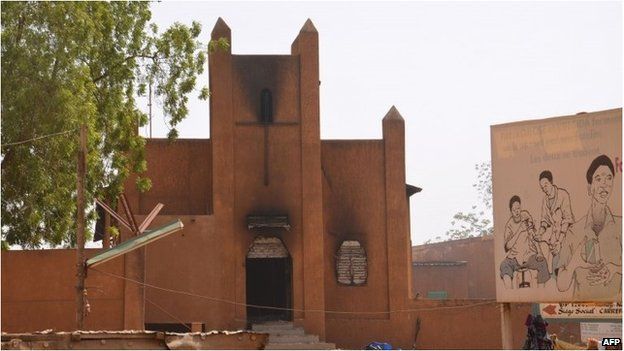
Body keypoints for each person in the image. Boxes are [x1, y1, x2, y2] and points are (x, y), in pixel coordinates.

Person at [556, 155, 622, 300]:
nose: (604, 184)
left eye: (609, 178)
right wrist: (575, 262)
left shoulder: (621, 227)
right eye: (598, 178)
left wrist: (615, 269)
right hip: (583, 316)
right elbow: (561, 285)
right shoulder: (574, 231)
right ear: (589, 188)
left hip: (616, 316)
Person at [500, 195, 550, 289]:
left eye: (518, 208)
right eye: (514, 210)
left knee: (542, 263)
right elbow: (507, 247)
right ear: (511, 211)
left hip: (529, 256)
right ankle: (510, 295)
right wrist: (519, 230)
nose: (517, 211)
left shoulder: (526, 216)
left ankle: (541, 294)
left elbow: (532, 234)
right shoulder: (509, 225)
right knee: (504, 266)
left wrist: (539, 252)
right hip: (514, 259)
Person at [535, 170, 575, 274]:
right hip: (554, 239)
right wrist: (540, 233)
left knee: (562, 267)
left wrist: (559, 242)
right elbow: (544, 221)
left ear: (551, 182)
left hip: (566, 236)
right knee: (551, 268)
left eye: (546, 185)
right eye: (542, 188)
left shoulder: (563, 195)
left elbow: (567, 220)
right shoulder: (545, 200)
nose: (544, 189)